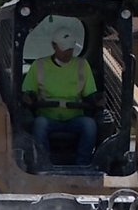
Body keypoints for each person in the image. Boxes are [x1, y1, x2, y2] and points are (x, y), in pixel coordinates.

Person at [22, 26, 103, 166]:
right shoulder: (39, 65)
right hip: (48, 117)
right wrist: (28, 98)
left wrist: (97, 100)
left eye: (71, 49)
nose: (68, 53)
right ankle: (44, 164)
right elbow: (29, 92)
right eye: (64, 49)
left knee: (89, 125)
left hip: (74, 118)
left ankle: (83, 165)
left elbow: (90, 94)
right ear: (54, 46)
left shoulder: (82, 65)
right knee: (39, 124)